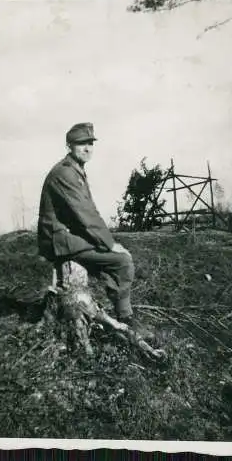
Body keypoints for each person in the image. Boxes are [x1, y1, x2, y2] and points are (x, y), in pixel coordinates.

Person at [37, 122, 153, 339]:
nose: (88, 149)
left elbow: (87, 213)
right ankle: (126, 319)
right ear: (69, 145)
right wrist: (110, 244)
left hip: (67, 236)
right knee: (122, 261)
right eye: (81, 144)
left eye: (90, 143)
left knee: (112, 260)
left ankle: (118, 315)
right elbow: (87, 214)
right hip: (60, 240)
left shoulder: (74, 170)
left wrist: (104, 241)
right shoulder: (66, 173)